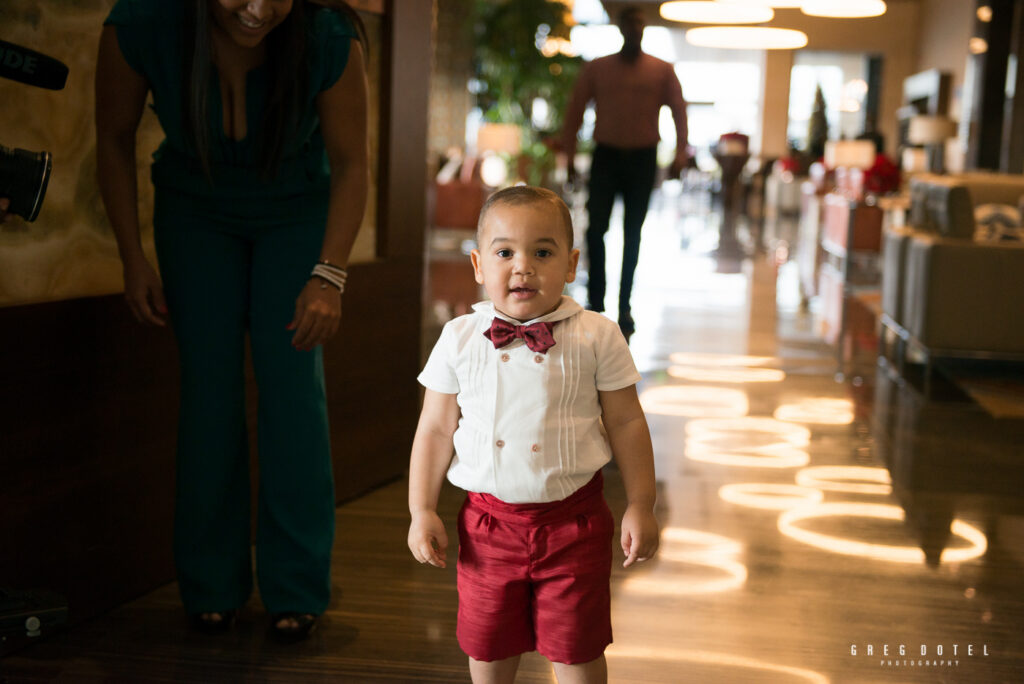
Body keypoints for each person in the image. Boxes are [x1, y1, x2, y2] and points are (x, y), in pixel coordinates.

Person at [95, 0, 369, 642]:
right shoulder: (140, 24)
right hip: (194, 212)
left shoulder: (329, 35)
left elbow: (353, 163)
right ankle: (210, 585)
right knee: (209, 394)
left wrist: (329, 273)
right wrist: (132, 257)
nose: (259, 8)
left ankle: (296, 587)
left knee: (293, 392)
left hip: (296, 209)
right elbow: (111, 139)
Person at [408, 186, 659, 683]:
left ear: (571, 263)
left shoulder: (597, 335)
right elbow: (435, 429)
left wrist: (641, 503)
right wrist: (421, 509)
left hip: (575, 524)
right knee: (488, 646)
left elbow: (628, 421)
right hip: (487, 527)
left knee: (577, 650)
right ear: (479, 265)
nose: (522, 267)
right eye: (505, 253)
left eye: (542, 253)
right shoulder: (459, 338)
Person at [557, 6, 688, 335]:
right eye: (630, 24)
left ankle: (624, 305)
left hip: (643, 159)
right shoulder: (598, 68)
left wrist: (680, 155)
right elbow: (574, 113)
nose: (635, 30)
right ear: (620, 29)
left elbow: (679, 112)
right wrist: (569, 157)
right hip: (606, 157)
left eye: (640, 25)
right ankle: (596, 301)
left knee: (634, 234)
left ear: (644, 29)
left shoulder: (661, 70)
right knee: (595, 229)